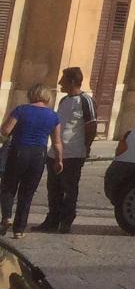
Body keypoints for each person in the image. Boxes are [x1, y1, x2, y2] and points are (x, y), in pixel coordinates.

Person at [0, 87, 63, 237]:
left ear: (31, 95)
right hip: (38, 154)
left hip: (18, 151)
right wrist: (59, 160)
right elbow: (57, 142)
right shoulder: (53, 116)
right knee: (27, 193)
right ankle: (19, 230)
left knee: (9, 186)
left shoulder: (21, 110)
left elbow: (6, 131)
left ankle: (6, 217)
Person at [40, 68, 95, 234]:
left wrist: (86, 147)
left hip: (73, 154)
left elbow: (91, 126)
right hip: (55, 153)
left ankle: (66, 220)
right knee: (53, 188)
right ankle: (52, 220)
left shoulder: (86, 100)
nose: (59, 83)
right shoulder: (64, 100)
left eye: (62, 79)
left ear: (71, 81)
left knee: (69, 189)